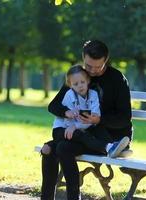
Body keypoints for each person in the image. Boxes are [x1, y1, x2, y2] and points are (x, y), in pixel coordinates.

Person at [41, 40, 133, 200]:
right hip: (83, 133)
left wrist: (98, 120)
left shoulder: (117, 79)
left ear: (106, 60)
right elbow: (54, 106)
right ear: (83, 58)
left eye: (98, 67)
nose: (92, 71)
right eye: (89, 66)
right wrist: (66, 112)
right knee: (58, 149)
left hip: (110, 138)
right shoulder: (79, 77)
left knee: (59, 147)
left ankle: (73, 197)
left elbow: (124, 119)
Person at [42, 64, 122, 157]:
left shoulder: (93, 94)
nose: (80, 86)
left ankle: (115, 147)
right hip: (62, 130)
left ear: (88, 81)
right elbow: (67, 122)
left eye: (82, 82)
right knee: (81, 135)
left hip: (77, 128)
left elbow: (94, 117)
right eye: (76, 84)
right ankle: (107, 147)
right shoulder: (69, 95)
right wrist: (69, 116)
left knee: (96, 130)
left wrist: (76, 126)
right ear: (70, 85)